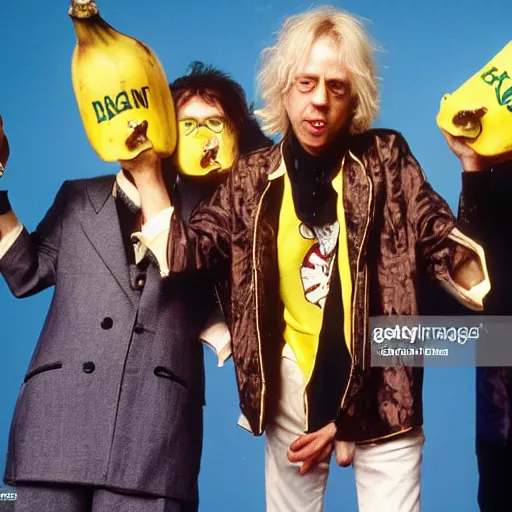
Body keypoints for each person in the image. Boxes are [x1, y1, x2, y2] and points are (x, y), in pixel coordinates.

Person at [134, 6, 491, 512]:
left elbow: (447, 249)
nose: (319, 99)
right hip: (291, 388)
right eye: (305, 82)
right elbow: (183, 254)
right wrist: (147, 172)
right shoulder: (251, 179)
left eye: (336, 86)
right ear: (284, 88)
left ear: (355, 97)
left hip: (383, 386)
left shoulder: (388, 158)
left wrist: (474, 168)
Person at [0, 61, 270, 512]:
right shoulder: (77, 197)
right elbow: (24, 274)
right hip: (50, 430)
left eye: (214, 125)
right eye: (186, 123)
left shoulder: (224, 219)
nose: (201, 137)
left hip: (155, 438)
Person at [439, 130, 512, 512]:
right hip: (501, 388)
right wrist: (472, 164)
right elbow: (466, 273)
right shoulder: (497, 164)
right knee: (498, 493)